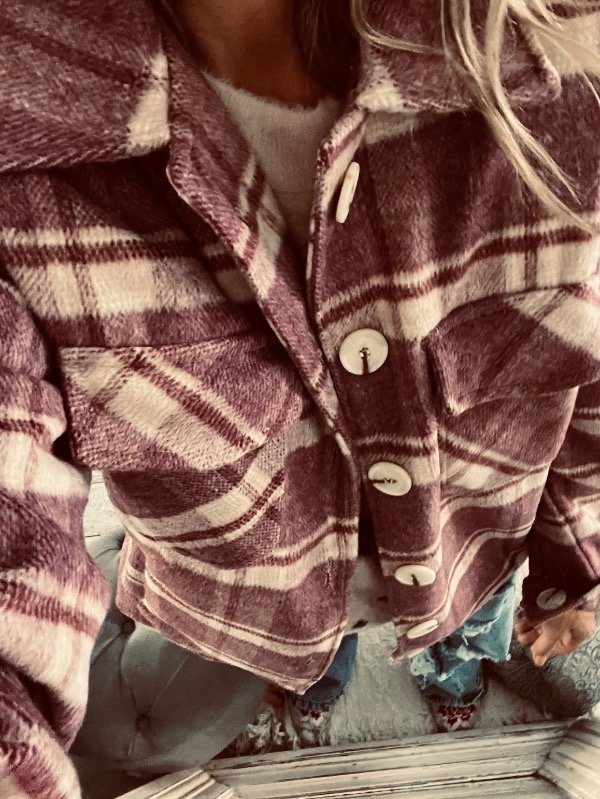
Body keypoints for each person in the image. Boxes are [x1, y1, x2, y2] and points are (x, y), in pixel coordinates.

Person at [1, 0, 599, 795]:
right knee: (320, 653)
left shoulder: (571, 62)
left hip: (474, 554)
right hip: (272, 607)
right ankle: (317, 679)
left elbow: (586, 385)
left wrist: (573, 572)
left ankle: (451, 677)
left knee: (466, 636)